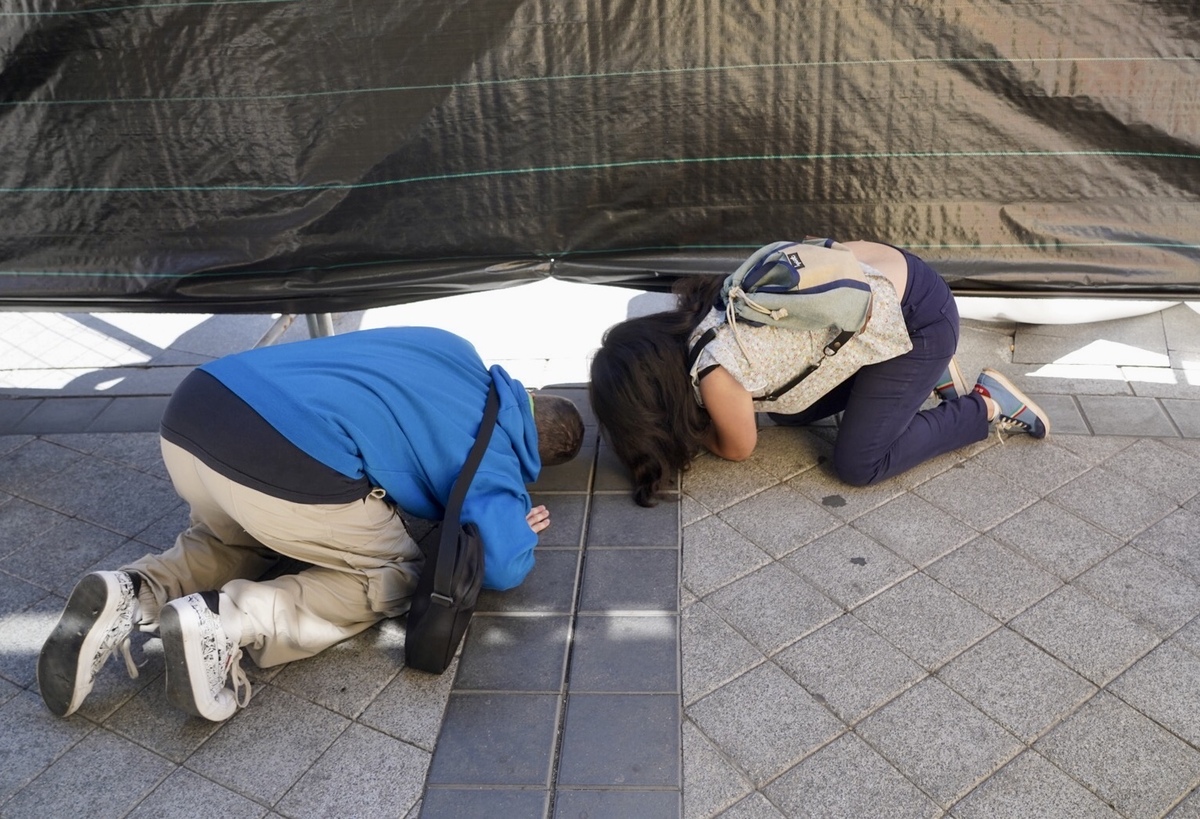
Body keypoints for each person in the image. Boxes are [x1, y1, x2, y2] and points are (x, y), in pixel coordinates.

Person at [38, 326, 584, 721]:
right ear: (540, 451)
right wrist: (519, 524)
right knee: (394, 572)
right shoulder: (501, 457)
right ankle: (222, 623)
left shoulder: (451, 346)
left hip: (197, 412)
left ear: (532, 395)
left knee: (241, 531)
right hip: (287, 461)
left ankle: (135, 590)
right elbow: (503, 566)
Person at [589, 239, 1049, 507]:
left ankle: (983, 405)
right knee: (790, 413)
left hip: (920, 316)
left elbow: (738, 447)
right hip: (895, 277)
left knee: (859, 464)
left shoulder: (714, 373)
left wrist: (688, 433)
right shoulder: (702, 318)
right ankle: (922, 372)